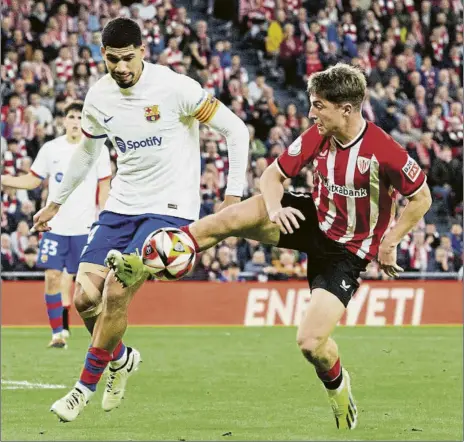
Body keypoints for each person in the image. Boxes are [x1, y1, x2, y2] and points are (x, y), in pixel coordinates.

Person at [118, 63, 432, 430]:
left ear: (346, 109)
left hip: (347, 252)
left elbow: (421, 198)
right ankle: (144, 262)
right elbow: (273, 175)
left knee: (311, 343)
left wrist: (390, 242)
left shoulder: (384, 150)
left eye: (319, 106)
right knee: (231, 218)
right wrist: (274, 207)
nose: (311, 113)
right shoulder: (318, 134)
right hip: (311, 217)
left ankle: (338, 386)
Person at [31, 17, 249, 422]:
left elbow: (236, 130)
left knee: (115, 291)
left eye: (128, 58)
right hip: (121, 205)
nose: (122, 67)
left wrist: (232, 196)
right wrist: (55, 203)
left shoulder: (175, 87)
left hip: (168, 208)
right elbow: (87, 154)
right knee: (83, 299)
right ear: (103, 56)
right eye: (113, 59)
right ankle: (122, 358)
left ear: (143, 51)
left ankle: (82, 389)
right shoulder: (98, 98)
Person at [1, 101, 112, 348]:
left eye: (78, 116)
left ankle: (98, 333)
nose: (74, 121)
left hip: (86, 228)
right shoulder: (51, 149)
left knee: (87, 288)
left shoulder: (98, 149)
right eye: (70, 116)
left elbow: (104, 185)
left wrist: (103, 216)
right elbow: (32, 180)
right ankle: (58, 333)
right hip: (55, 227)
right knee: (52, 277)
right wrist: (5, 179)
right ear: (63, 120)